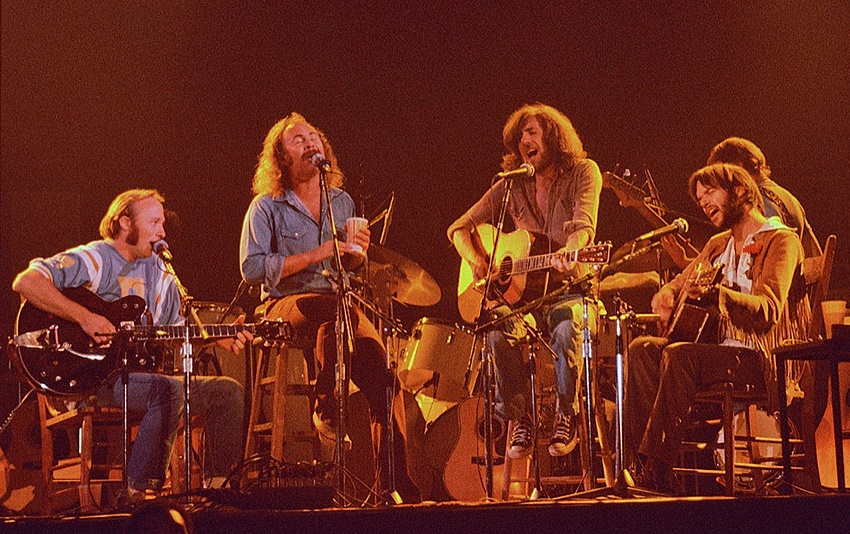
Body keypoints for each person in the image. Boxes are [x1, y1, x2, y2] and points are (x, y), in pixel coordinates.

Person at [12, 189, 249, 499]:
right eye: (154, 222)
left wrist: (216, 337)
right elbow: (26, 282)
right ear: (125, 223)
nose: (162, 232)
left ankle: (218, 491)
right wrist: (84, 317)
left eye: (162, 223)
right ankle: (139, 492)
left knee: (227, 391)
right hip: (90, 379)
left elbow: (172, 332)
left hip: (139, 381)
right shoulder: (95, 258)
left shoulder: (162, 274)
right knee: (168, 389)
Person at [239, 112, 420, 502]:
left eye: (313, 137)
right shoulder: (267, 206)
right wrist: (320, 252)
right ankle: (327, 401)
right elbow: (252, 268)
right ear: (281, 158)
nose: (309, 143)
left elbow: (346, 265)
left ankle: (393, 484)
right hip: (284, 304)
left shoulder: (342, 201)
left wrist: (357, 254)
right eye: (298, 140)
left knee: (386, 377)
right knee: (330, 313)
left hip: (337, 308)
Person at [624, 163, 810, 493]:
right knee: (643, 349)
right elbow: (682, 282)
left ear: (739, 192)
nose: (703, 202)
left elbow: (768, 310)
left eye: (710, 192)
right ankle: (643, 463)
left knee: (681, 355)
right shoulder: (716, 244)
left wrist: (718, 295)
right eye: (699, 198)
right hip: (715, 355)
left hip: (760, 359)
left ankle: (658, 470)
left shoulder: (781, 241)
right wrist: (667, 293)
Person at [448, 103, 602, 459]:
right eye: (519, 138)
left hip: (571, 290)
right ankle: (520, 418)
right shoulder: (511, 186)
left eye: (531, 133)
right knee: (496, 327)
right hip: (525, 300)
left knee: (566, 326)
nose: (524, 142)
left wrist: (572, 252)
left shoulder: (583, 172)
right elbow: (457, 229)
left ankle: (568, 414)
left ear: (553, 136)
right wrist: (478, 260)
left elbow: (584, 228)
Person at [707, 137, 821, 258]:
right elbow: (816, 257)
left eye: (719, 179)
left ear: (737, 168)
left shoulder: (752, 202)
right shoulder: (790, 198)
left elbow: (751, 261)